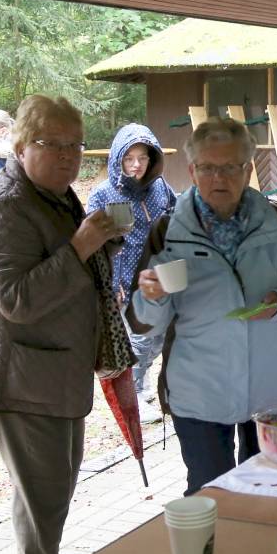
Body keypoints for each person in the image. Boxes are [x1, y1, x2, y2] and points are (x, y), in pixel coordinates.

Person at [0, 94, 128, 554]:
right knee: (44, 492)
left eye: (74, 145)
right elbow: (16, 298)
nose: (66, 155)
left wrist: (100, 243)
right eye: (50, 143)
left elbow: (67, 268)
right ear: (19, 146)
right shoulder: (4, 206)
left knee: (43, 489)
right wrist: (80, 247)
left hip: (52, 369)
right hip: (20, 372)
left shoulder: (52, 196)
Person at [131, 117, 277, 495]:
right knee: (210, 495)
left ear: (248, 170)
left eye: (231, 167)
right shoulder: (169, 230)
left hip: (271, 387)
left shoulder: (275, 222)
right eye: (207, 167)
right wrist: (152, 297)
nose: (218, 178)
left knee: (269, 490)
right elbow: (143, 323)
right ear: (192, 171)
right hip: (199, 391)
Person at [86, 123, 177, 415]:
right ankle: (134, 395)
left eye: (142, 158)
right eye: (129, 158)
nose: (136, 165)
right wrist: (110, 285)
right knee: (139, 337)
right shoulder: (104, 194)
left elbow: (177, 219)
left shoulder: (161, 188)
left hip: (162, 275)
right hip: (125, 281)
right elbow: (95, 246)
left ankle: (142, 380)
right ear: (118, 159)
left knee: (161, 335)